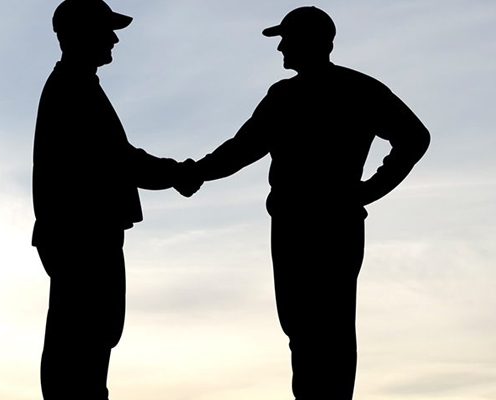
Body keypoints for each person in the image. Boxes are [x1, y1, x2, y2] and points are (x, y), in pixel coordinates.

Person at [178, 6, 430, 399]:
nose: (280, 47)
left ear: (309, 42)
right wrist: (367, 191)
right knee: (315, 330)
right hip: (322, 224)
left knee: (318, 330)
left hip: (312, 226)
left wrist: (370, 189)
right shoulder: (351, 89)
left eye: (286, 39)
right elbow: (242, 149)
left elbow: (241, 150)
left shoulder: (296, 95)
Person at [31, 1, 194, 399]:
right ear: (78, 34)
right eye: (106, 29)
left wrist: (174, 172)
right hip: (82, 236)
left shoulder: (77, 85)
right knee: (81, 344)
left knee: (88, 340)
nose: (115, 37)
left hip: (83, 234)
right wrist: (176, 173)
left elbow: (117, 157)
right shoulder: (73, 88)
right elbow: (118, 159)